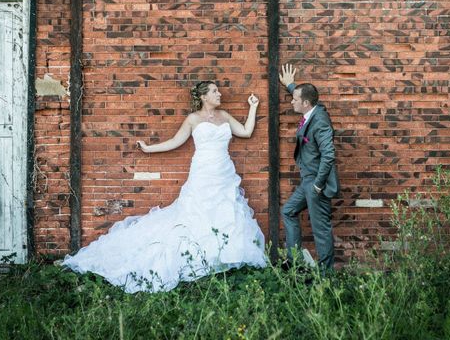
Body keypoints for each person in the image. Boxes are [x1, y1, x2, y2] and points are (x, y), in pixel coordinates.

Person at [61, 81, 266, 293]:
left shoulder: (224, 116)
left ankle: (219, 257)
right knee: (196, 213)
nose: (219, 93)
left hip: (224, 171)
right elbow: (175, 141)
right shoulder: (193, 119)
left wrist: (253, 107)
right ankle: (195, 257)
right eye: (215, 91)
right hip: (203, 172)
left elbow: (245, 132)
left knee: (225, 211)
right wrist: (149, 149)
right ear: (204, 96)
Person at [278, 64, 339, 270]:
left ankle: (326, 278)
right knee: (288, 211)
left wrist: (318, 185)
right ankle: (294, 262)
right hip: (308, 181)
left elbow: (328, 155)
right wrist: (290, 85)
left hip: (315, 182)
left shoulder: (320, 121)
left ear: (305, 103)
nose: (291, 101)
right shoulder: (311, 110)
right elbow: (303, 96)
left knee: (320, 230)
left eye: (294, 99)